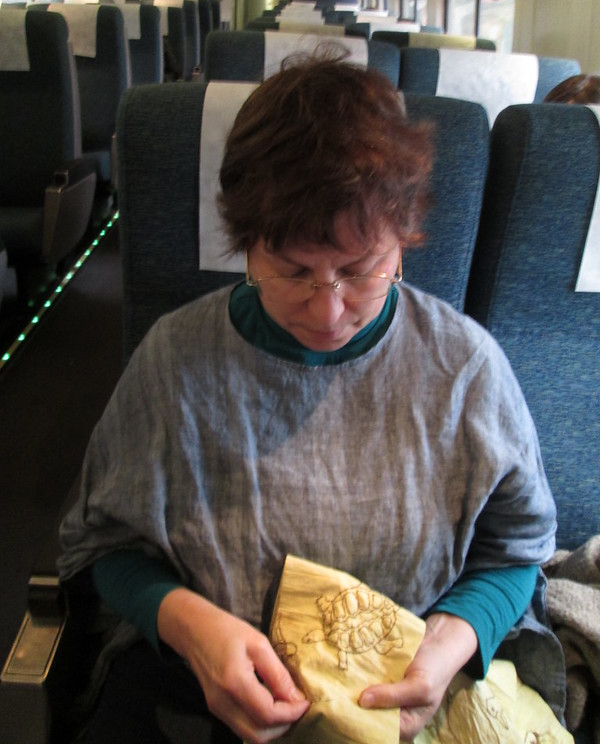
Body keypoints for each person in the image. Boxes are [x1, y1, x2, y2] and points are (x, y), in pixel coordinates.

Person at [58, 56, 560, 744]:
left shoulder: (464, 370)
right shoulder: (175, 361)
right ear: (246, 247)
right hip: (201, 693)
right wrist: (190, 626)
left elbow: (517, 549)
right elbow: (102, 543)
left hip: (405, 701)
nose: (327, 311)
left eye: (360, 270)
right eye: (292, 271)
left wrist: (451, 642)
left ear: (404, 243)